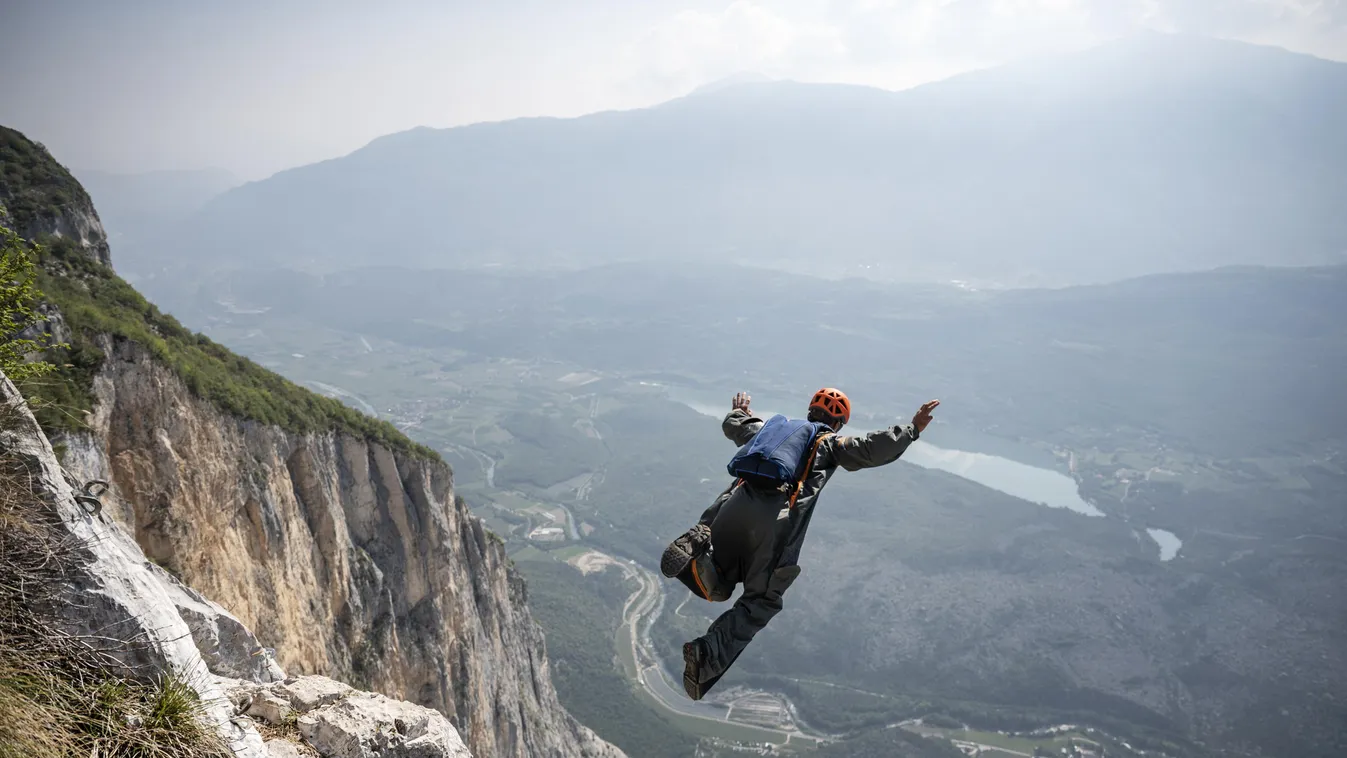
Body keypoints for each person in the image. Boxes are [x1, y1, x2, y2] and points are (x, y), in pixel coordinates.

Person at [660, 387, 940, 700]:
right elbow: (870, 448)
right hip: (772, 522)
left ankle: (697, 551)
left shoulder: (770, 431)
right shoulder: (828, 442)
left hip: (730, 510)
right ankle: (706, 655)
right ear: (839, 423)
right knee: (761, 601)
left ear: (810, 411)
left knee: (722, 581)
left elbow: (735, 426)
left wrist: (739, 410)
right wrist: (912, 429)